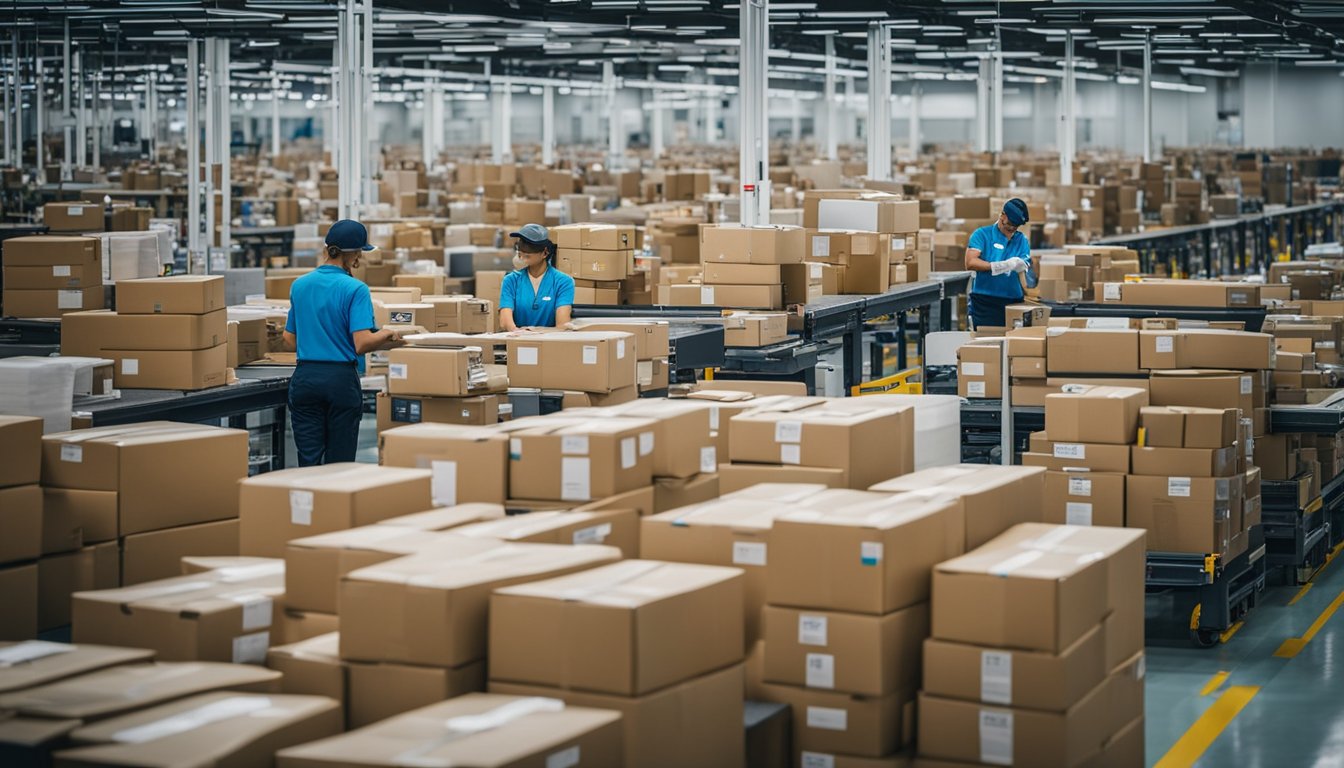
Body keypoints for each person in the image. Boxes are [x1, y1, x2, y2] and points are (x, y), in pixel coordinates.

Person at [282, 219, 405, 466]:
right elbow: (362, 343)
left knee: (308, 459)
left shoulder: (300, 285)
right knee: (339, 463)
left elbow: (288, 339)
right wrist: (388, 334)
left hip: (305, 378)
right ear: (355, 254)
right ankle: (335, 503)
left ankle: (307, 502)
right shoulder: (355, 289)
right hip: (339, 381)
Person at [964, 198, 1037, 329]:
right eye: (1009, 224)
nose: (1011, 228)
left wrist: (1024, 266)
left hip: (1013, 302)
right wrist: (997, 266)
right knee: (985, 343)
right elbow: (970, 262)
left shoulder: (1021, 240)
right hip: (985, 301)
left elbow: (1026, 267)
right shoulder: (982, 234)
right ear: (1002, 215)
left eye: (1015, 227)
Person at [499, 223, 575, 332]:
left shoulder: (563, 282)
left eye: (527, 256)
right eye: (519, 254)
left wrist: (534, 332)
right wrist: (517, 332)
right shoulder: (511, 280)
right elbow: (504, 321)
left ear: (544, 253)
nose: (521, 260)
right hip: (517, 340)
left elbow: (562, 325)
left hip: (549, 343)